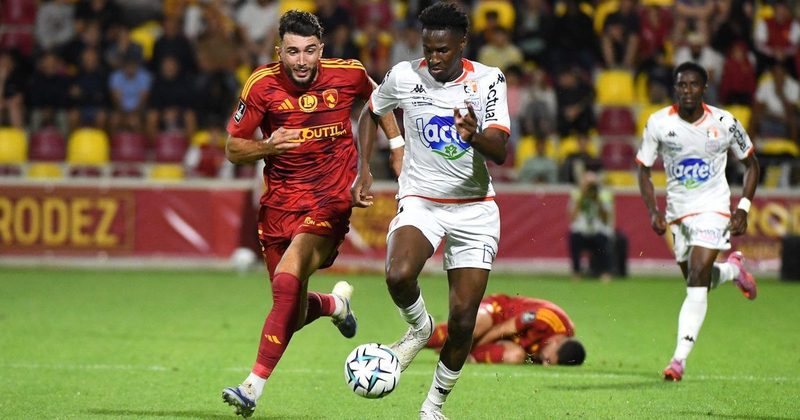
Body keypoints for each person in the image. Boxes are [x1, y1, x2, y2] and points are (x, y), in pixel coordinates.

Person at [220, 11, 400, 418]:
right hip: (278, 207)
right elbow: (233, 149)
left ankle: (252, 386)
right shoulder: (261, 85)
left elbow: (383, 104)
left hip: (330, 202)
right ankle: (335, 307)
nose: (301, 61)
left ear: (322, 49)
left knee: (288, 277)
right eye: (292, 52)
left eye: (309, 51)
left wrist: (392, 156)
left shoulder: (349, 74)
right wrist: (268, 147)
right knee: (293, 312)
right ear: (279, 51)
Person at [353, 3, 510, 419]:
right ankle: (420, 328)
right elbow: (372, 110)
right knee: (398, 274)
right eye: (429, 49)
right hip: (421, 199)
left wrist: (474, 135)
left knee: (462, 320)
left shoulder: (488, 81)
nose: (435, 59)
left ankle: (433, 406)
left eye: (443, 50)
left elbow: (501, 150)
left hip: (475, 208)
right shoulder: (405, 75)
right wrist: (365, 167)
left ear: (462, 43)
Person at [636, 61, 759, 382]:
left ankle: (678, 360)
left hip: (714, 207)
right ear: (676, 87)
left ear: (704, 88)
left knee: (696, 276)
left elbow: (752, 165)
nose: (687, 90)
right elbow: (644, 169)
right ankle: (733, 270)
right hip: (679, 211)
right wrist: (653, 209)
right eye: (681, 85)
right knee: (696, 277)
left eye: (693, 85)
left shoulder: (725, 122)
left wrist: (743, 207)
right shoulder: (659, 123)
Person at [425, 294, 586, 366]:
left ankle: (469, 357)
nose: (544, 364)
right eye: (548, 360)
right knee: (472, 330)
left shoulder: (563, 345)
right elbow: (503, 328)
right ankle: (420, 337)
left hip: (508, 340)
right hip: (498, 314)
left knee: (515, 357)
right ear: (556, 342)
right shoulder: (546, 318)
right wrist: (465, 346)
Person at [568, 171, 614, 280]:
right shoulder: (576, 195)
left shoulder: (603, 195)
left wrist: (598, 201)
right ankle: (576, 272)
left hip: (597, 231)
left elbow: (606, 219)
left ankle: (605, 272)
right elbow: (572, 217)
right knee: (573, 238)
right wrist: (582, 197)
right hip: (581, 231)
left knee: (603, 239)